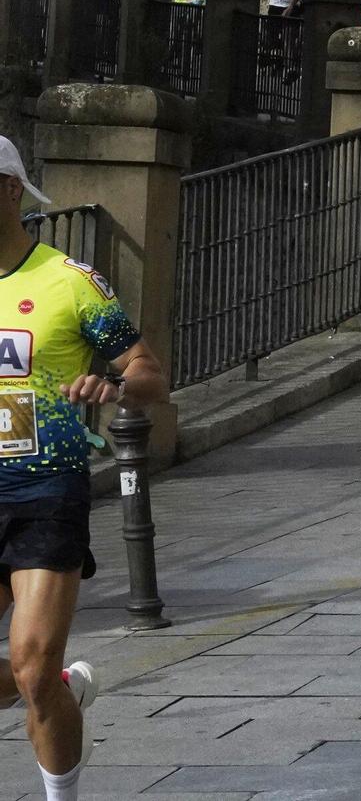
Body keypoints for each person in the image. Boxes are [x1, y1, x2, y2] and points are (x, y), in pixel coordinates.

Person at [0, 135, 169, 801]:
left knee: (34, 666)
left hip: (45, 489)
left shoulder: (69, 280)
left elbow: (150, 372)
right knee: (33, 670)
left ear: (12, 188)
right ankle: (62, 689)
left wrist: (113, 385)